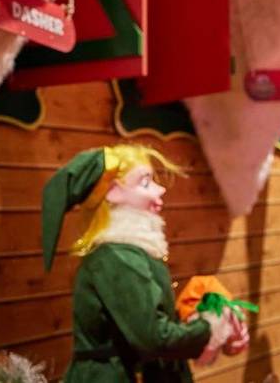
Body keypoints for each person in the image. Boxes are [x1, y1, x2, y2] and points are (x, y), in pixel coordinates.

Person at [41, 144, 249, 382]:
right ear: (114, 192)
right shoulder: (117, 258)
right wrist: (209, 327)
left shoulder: (130, 253)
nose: (160, 190)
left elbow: (146, 322)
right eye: (145, 182)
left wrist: (195, 317)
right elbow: (153, 338)